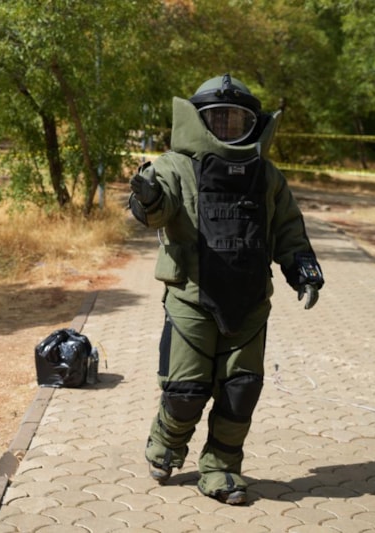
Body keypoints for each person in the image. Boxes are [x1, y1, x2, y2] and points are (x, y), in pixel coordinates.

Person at [128, 73, 324, 505]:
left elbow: (288, 228)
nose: (227, 128)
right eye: (218, 119)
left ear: (254, 124)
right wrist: (147, 197)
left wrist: (303, 271)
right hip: (191, 298)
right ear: (198, 120)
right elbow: (158, 211)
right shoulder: (174, 165)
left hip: (250, 301)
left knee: (241, 390)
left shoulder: (266, 175)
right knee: (185, 391)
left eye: (237, 120)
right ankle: (165, 445)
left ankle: (220, 469)